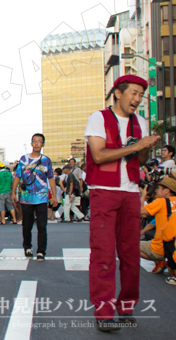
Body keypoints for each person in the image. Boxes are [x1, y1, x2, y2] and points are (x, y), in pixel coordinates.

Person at [85, 75, 160, 330]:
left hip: (130, 192)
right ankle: (104, 313)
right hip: (104, 192)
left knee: (130, 254)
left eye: (141, 95)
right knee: (103, 254)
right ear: (118, 93)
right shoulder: (99, 118)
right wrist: (137, 145)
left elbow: (141, 159)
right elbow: (98, 154)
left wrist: (146, 146)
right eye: (134, 93)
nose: (138, 99)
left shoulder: (141, 122)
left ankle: (127, 306)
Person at [13, 133, 57, 262]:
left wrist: (53, 196)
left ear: (43, 144)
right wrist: (13, 193)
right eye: (35, 141)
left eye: (40, 141)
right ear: (31, 143)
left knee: (42, 226)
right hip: (26, 198)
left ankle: (41, 251)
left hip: (42, 198)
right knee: (27, 225)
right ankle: (27, 247)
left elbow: (51, 178)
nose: (37, 143)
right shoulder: (23, 159)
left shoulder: (46, 160)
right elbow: (17, 176)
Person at [138, 176, 176, 274]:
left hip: (161, 247)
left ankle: (161, 260)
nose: (156, 191)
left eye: (158, 189)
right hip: (174, 246)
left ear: (166, 191)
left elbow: (138, 211)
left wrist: (143, 195)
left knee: (130, 245)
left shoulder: (162, 202)